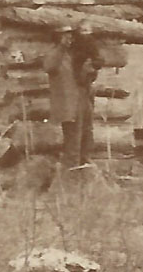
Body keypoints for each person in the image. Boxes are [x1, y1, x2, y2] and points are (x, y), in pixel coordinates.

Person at [43, 21, 101, 170]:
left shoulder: (74, 54)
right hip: (68, 104)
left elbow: (84, 77)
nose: (69, 39)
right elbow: (48, 66)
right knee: (73, 141)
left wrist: (90, 70)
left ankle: (85, 168)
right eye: (65, 37)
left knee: (87, 135)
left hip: (82, 100)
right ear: (58, 38)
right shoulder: (54, 54)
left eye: (70, 36)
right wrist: (61, 47)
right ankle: (71, 173)